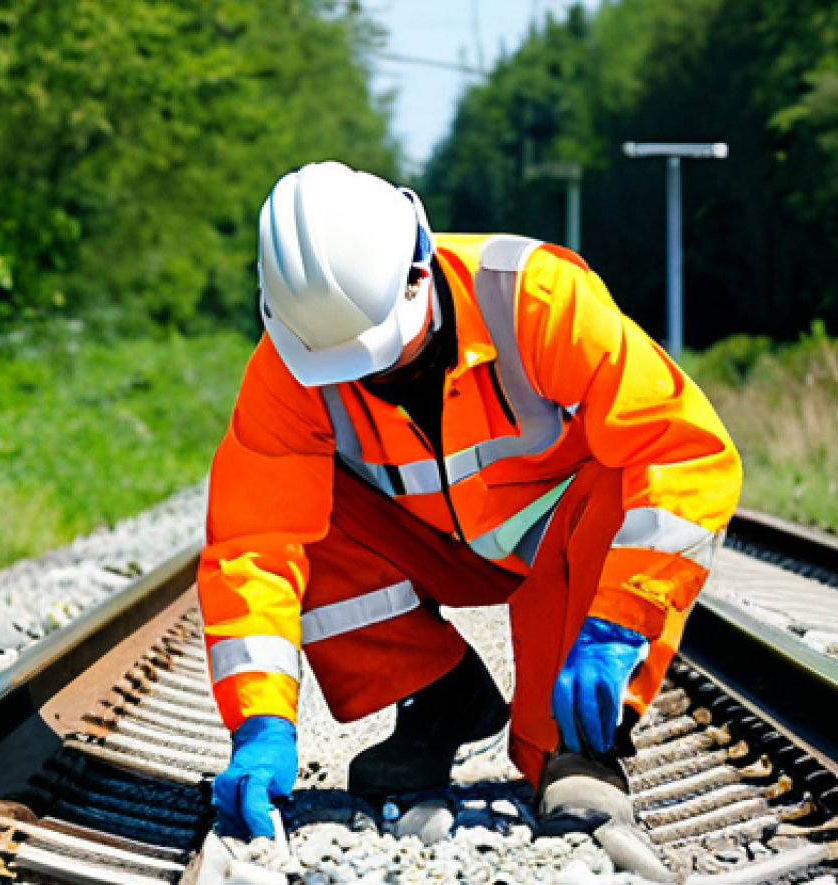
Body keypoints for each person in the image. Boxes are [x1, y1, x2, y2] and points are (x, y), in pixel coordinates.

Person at [199, 161, 741, 838]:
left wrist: (619, 626)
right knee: (301, 523)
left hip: (563, 545)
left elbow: (682, 450)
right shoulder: (289, 366)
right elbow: (253, 544)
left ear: (419, 275)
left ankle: (576, 751)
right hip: (430, 545)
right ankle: (439, 699)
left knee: (620, 474)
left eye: (373, 352)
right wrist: (259, 724)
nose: (364, 376)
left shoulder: (535, 299)